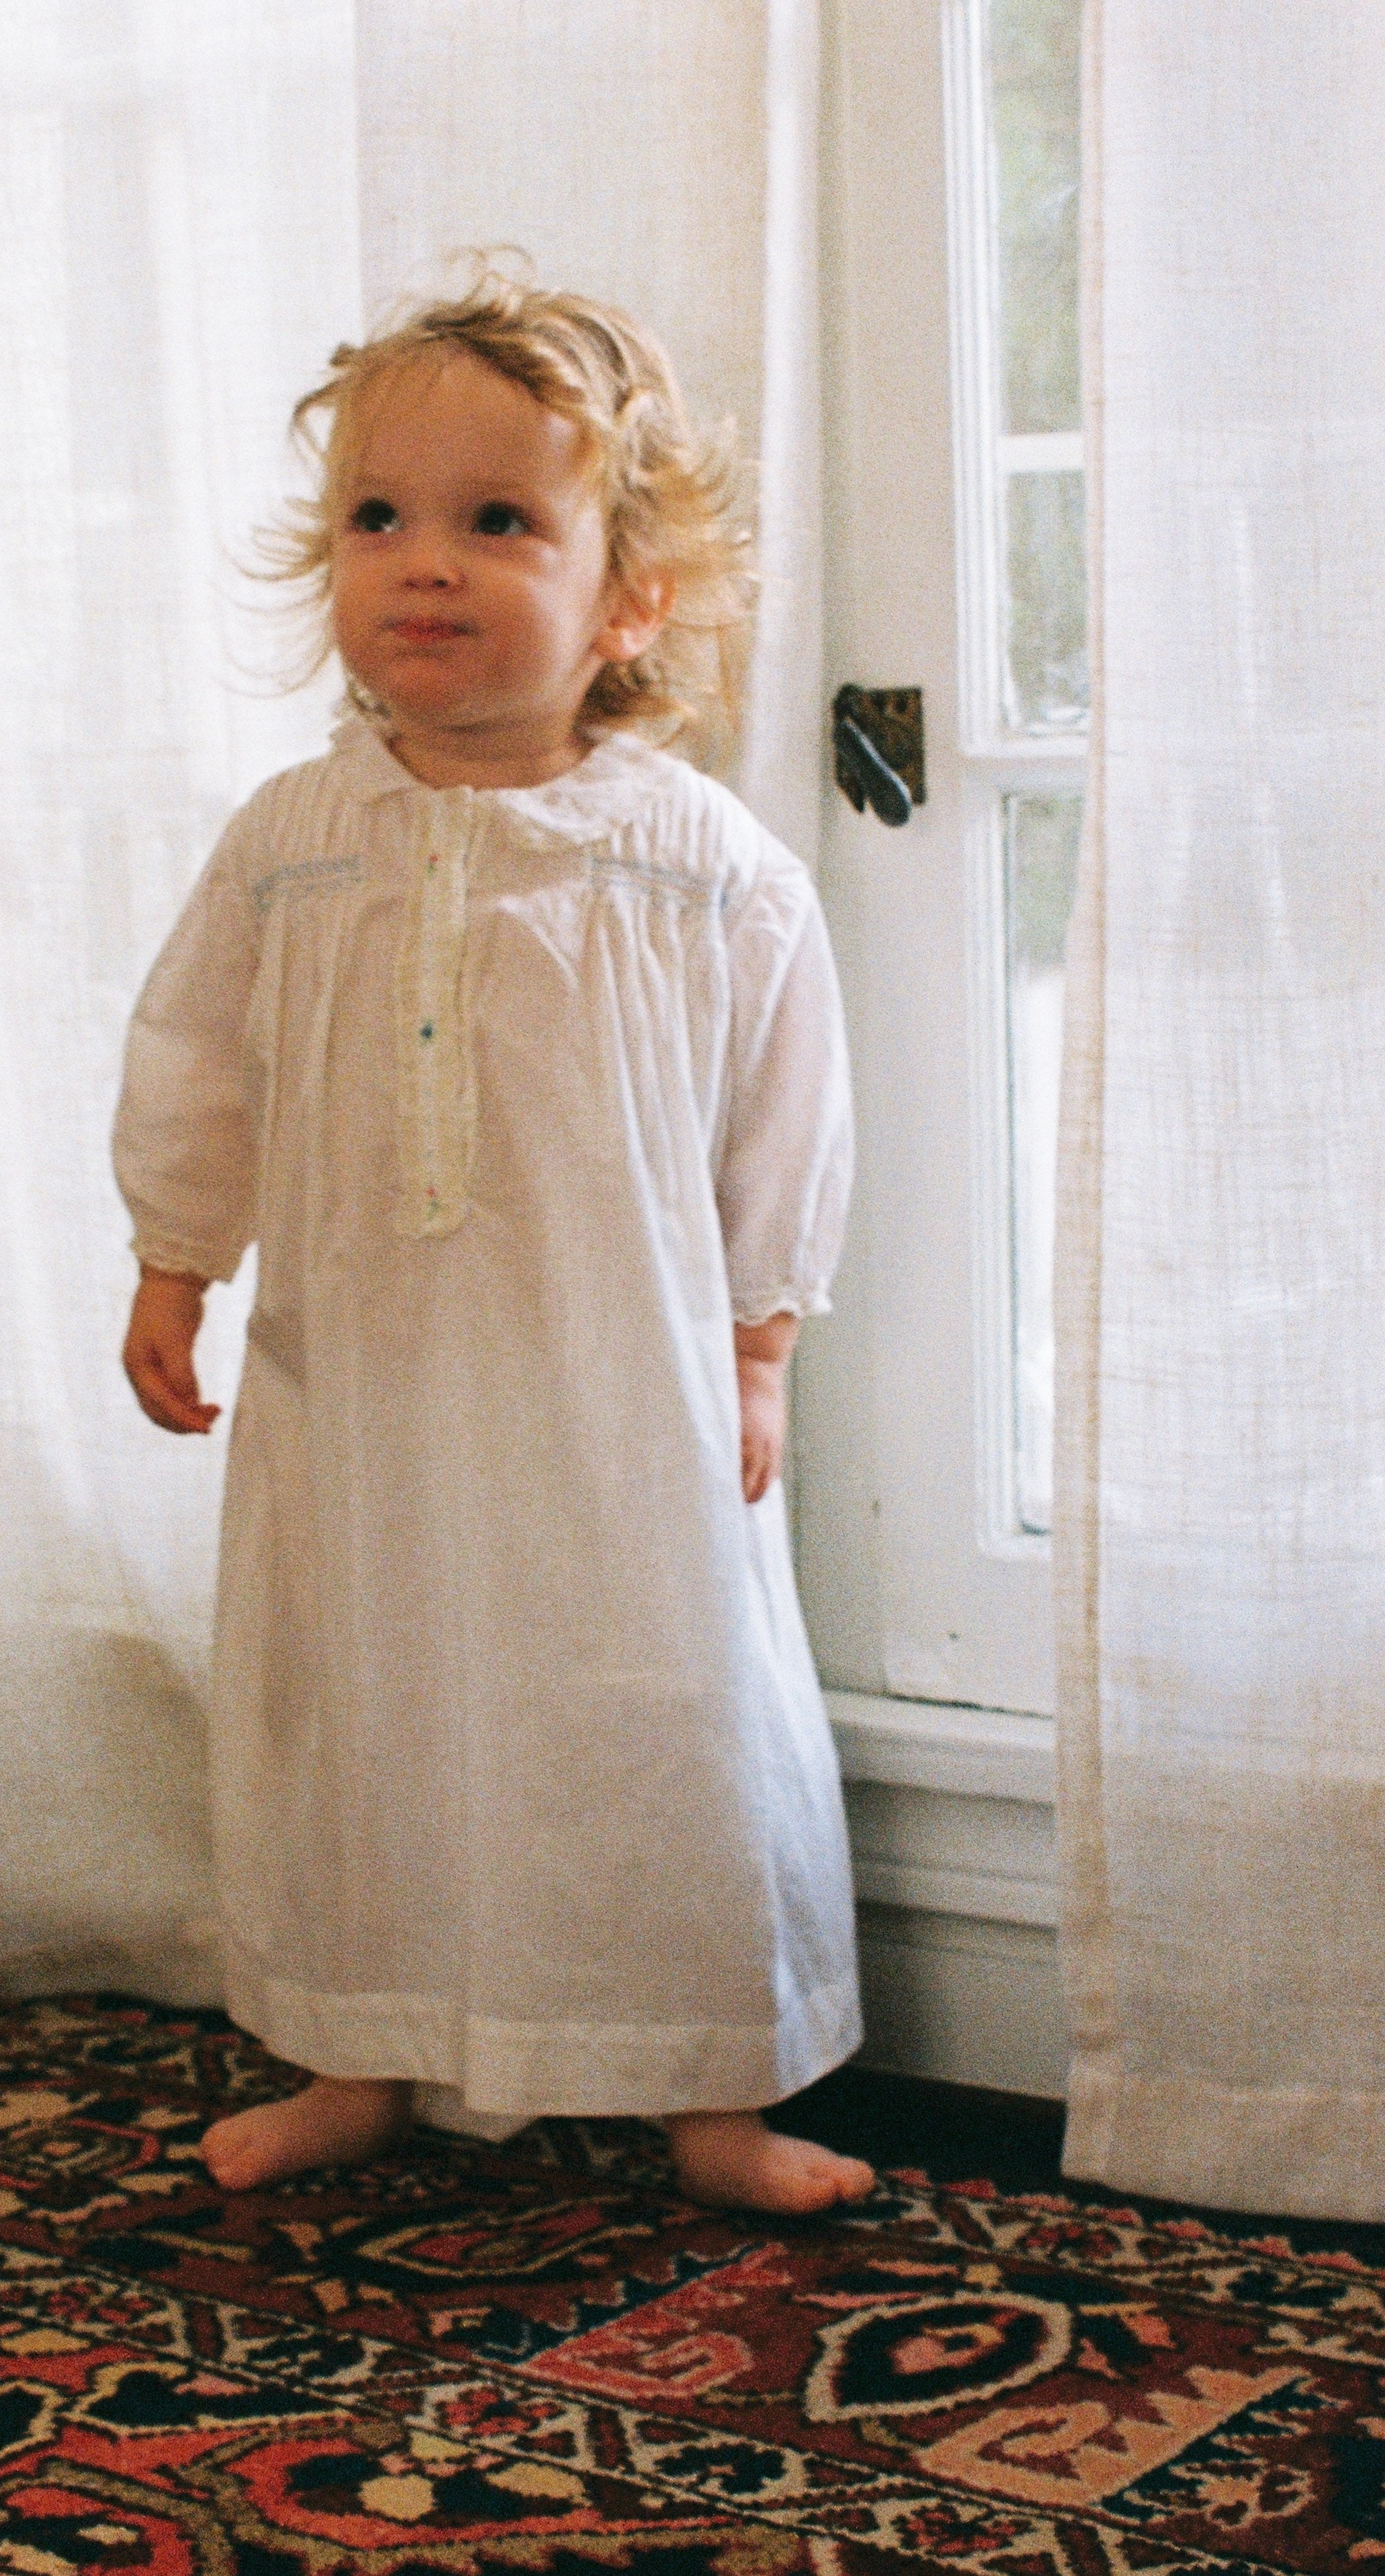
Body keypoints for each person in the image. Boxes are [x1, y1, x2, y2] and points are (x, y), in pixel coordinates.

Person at [113, 266, 872, 2216]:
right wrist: (175, 1256)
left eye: (498, 521)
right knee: (354, 1694)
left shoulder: (698, 864)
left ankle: (711, 2088)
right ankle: (355, 2043)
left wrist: (762, 1335)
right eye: (380, 518)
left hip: (617, 1392)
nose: (421, 564)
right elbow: (199, 1058)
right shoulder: (293, 841)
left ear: (629, 597)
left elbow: (785, 1103)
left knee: (665, 1705)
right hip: (359, 1387)